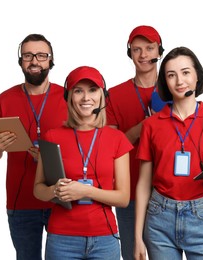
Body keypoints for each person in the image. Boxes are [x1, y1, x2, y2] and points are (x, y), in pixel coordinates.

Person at [134, 46, 203, 260]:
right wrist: (137, 237)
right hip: (159, 218)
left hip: (202, 216)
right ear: (165, 82)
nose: (179, 81)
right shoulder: (152, 125)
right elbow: (144, 184)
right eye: (171, 75)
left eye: (185, 72)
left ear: (197, 76)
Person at [33, 66, 133, 260]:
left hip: (104, 239)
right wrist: (55, 190)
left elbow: (123, 198)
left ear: (102, 96)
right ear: (69, 96)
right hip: (62, 239)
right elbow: (38, 189)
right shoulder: (52, 136)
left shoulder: (117, 139)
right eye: (78, 91)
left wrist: (86, 191)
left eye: (92, 90)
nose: (86, 98)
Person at [0, 34, 68, 260]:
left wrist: (49, 158)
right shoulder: (4, 99)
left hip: (59, 198)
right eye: (28, 55)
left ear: (51, 60)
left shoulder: (69, 97)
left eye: (41, 55)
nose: (34, 61)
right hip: (20, 202)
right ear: (20, 61)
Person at [105, 25, 164, 260]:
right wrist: (143, 127)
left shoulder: (175, 88)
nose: (143, 55)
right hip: (128, 191)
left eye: (149, 48)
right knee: (132, 255)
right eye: (137, 49)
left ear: (159, 51)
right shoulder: (115, 94)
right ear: (129, 53)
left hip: (166, 192)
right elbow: (110, 146)